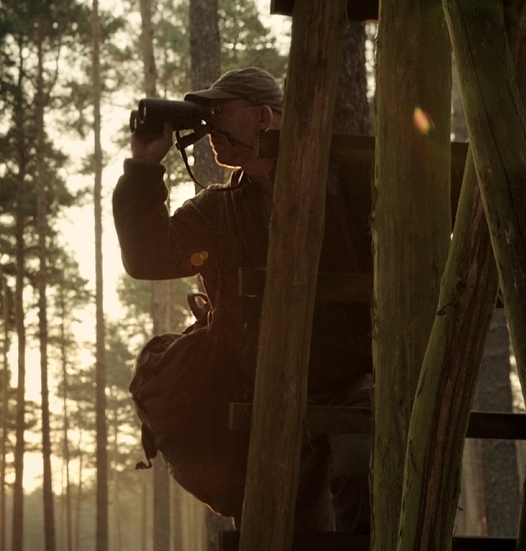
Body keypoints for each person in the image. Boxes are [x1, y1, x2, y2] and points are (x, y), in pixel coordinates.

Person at [113, 67, 372, 533]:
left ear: (264, 117)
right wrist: (145, 167)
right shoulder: (218, 212)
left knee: (361, 467)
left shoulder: (344, 181)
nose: (207, 127)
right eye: (203, 116)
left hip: (353, 377)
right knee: (276, 518)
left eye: (219, 113)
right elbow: (147, 256)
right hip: (264, 393)